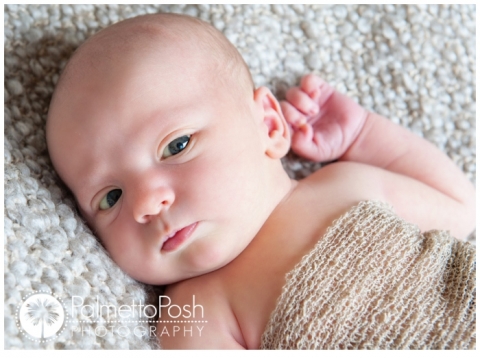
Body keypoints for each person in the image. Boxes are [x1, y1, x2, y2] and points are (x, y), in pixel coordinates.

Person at [46, 13, 476, 349]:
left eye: (176, 146)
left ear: (269, 125)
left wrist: (363, 134)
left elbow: (461, 209)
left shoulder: (342, 186)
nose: (146, 203)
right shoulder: (194, 312)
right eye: (111, 197)